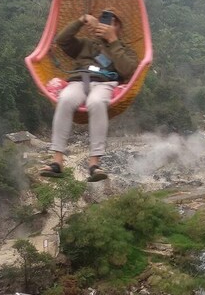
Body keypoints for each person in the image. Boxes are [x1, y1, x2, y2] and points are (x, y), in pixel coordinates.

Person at [40, 9, 138, 182]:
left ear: (118, 27)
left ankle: (94, 163)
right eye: (104, 20)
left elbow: (128, 70)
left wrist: (113, 40)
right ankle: (57, 161)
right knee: (65, 99)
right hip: (78, 81)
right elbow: (61, 40)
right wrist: (82, 20)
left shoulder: (124, 50)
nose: (107, 23)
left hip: (105, 83)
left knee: (96, 102)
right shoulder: (86, 44)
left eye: (112, 21)